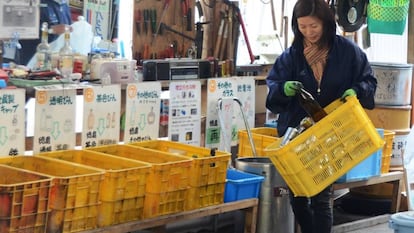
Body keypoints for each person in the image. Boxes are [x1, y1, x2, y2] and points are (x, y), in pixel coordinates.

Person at [265, 0, 377, 232]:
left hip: (330, 135)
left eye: (314, 26)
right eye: (303, 26)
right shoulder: (290, 57)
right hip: (297, 135)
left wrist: (356, 91)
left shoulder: (348, 52)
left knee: (321, 197)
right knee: (297, 194)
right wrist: (282, 89)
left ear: (326, 23)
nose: (309, 32)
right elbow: (273, 90)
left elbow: (368, 80)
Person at [19, 0, 72, 66]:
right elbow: (23, 30)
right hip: (32, 57)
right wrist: (51, 30)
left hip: (55, 59)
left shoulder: (64, 5)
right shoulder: (34, 2)